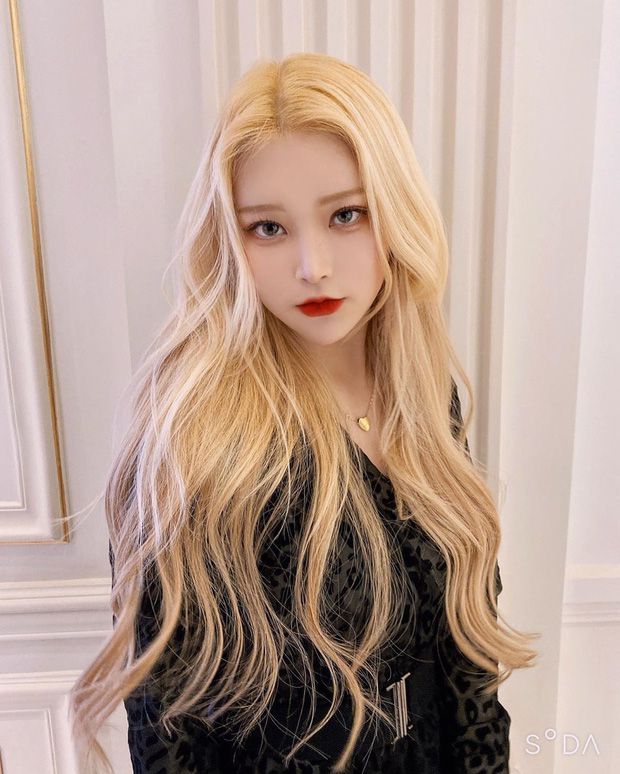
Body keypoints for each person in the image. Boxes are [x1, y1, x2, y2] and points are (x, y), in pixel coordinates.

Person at [70, 52, 538, 773]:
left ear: (394, 213)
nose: (312, 265)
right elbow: (168, 730)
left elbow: (468, 668)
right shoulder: (196, 440)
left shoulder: (422, 396)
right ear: (230, 238)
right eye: (268, 228)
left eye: (346, 215)